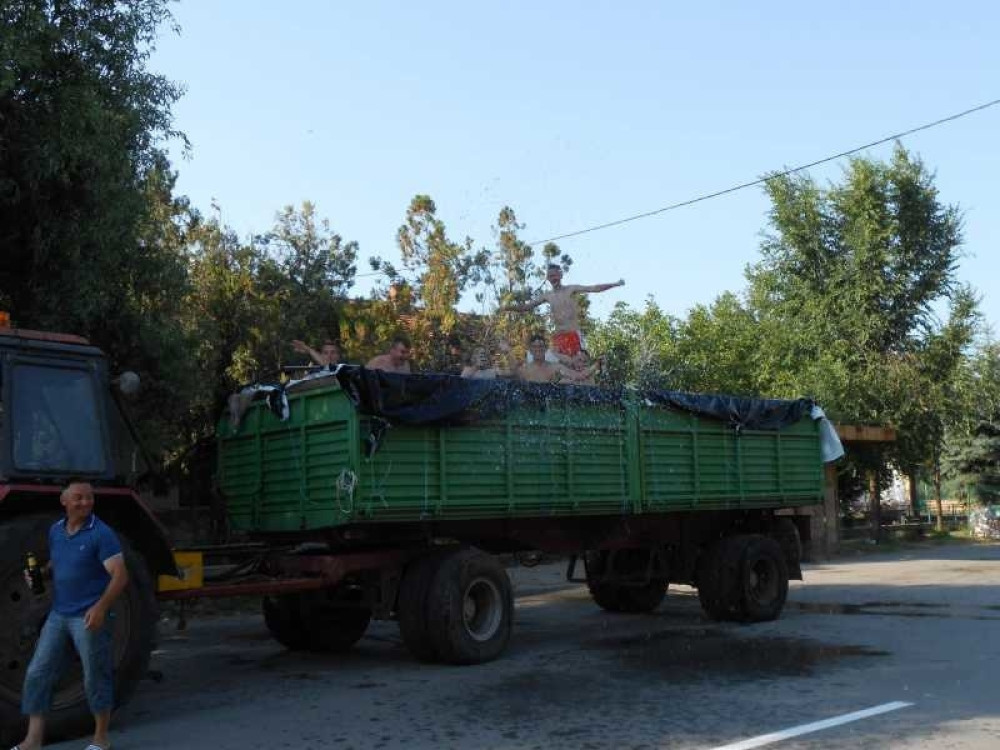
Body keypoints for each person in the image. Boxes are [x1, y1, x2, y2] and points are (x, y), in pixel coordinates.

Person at [13, 480, 129, 750]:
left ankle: (101, 740)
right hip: (58, 615)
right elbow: (58, 560)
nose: (86, 503)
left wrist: (100, 607)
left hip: (87, 617)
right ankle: (33, 740)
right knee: (37, 673)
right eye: (78, 498)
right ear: (64, 501)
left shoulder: (101, 533)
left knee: (95, 676)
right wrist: (42, 574)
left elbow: (120, 575)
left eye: (89, 498)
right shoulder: (56, 530)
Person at [503, 264, 624, 357]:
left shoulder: (571, 289)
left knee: (578, 365)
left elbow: (594, 288)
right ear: (548, 278)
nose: (553, 278)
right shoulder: (547, 295)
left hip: (573, 335)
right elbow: (527, 307)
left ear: (560, 275)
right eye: (550, 276)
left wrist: (614, 284)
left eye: (555, 275)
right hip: (559, 337)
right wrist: (508, 307)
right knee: (558, 369)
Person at [516, 334, 600, 384]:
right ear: (530, 350)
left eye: (541, 347)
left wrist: (596, 364)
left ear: (546, 349)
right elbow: (511, 374)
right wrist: (508, 353)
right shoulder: (524, 369)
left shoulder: (556, 367)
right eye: (535, 347)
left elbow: (578, 376)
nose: (538, 349)